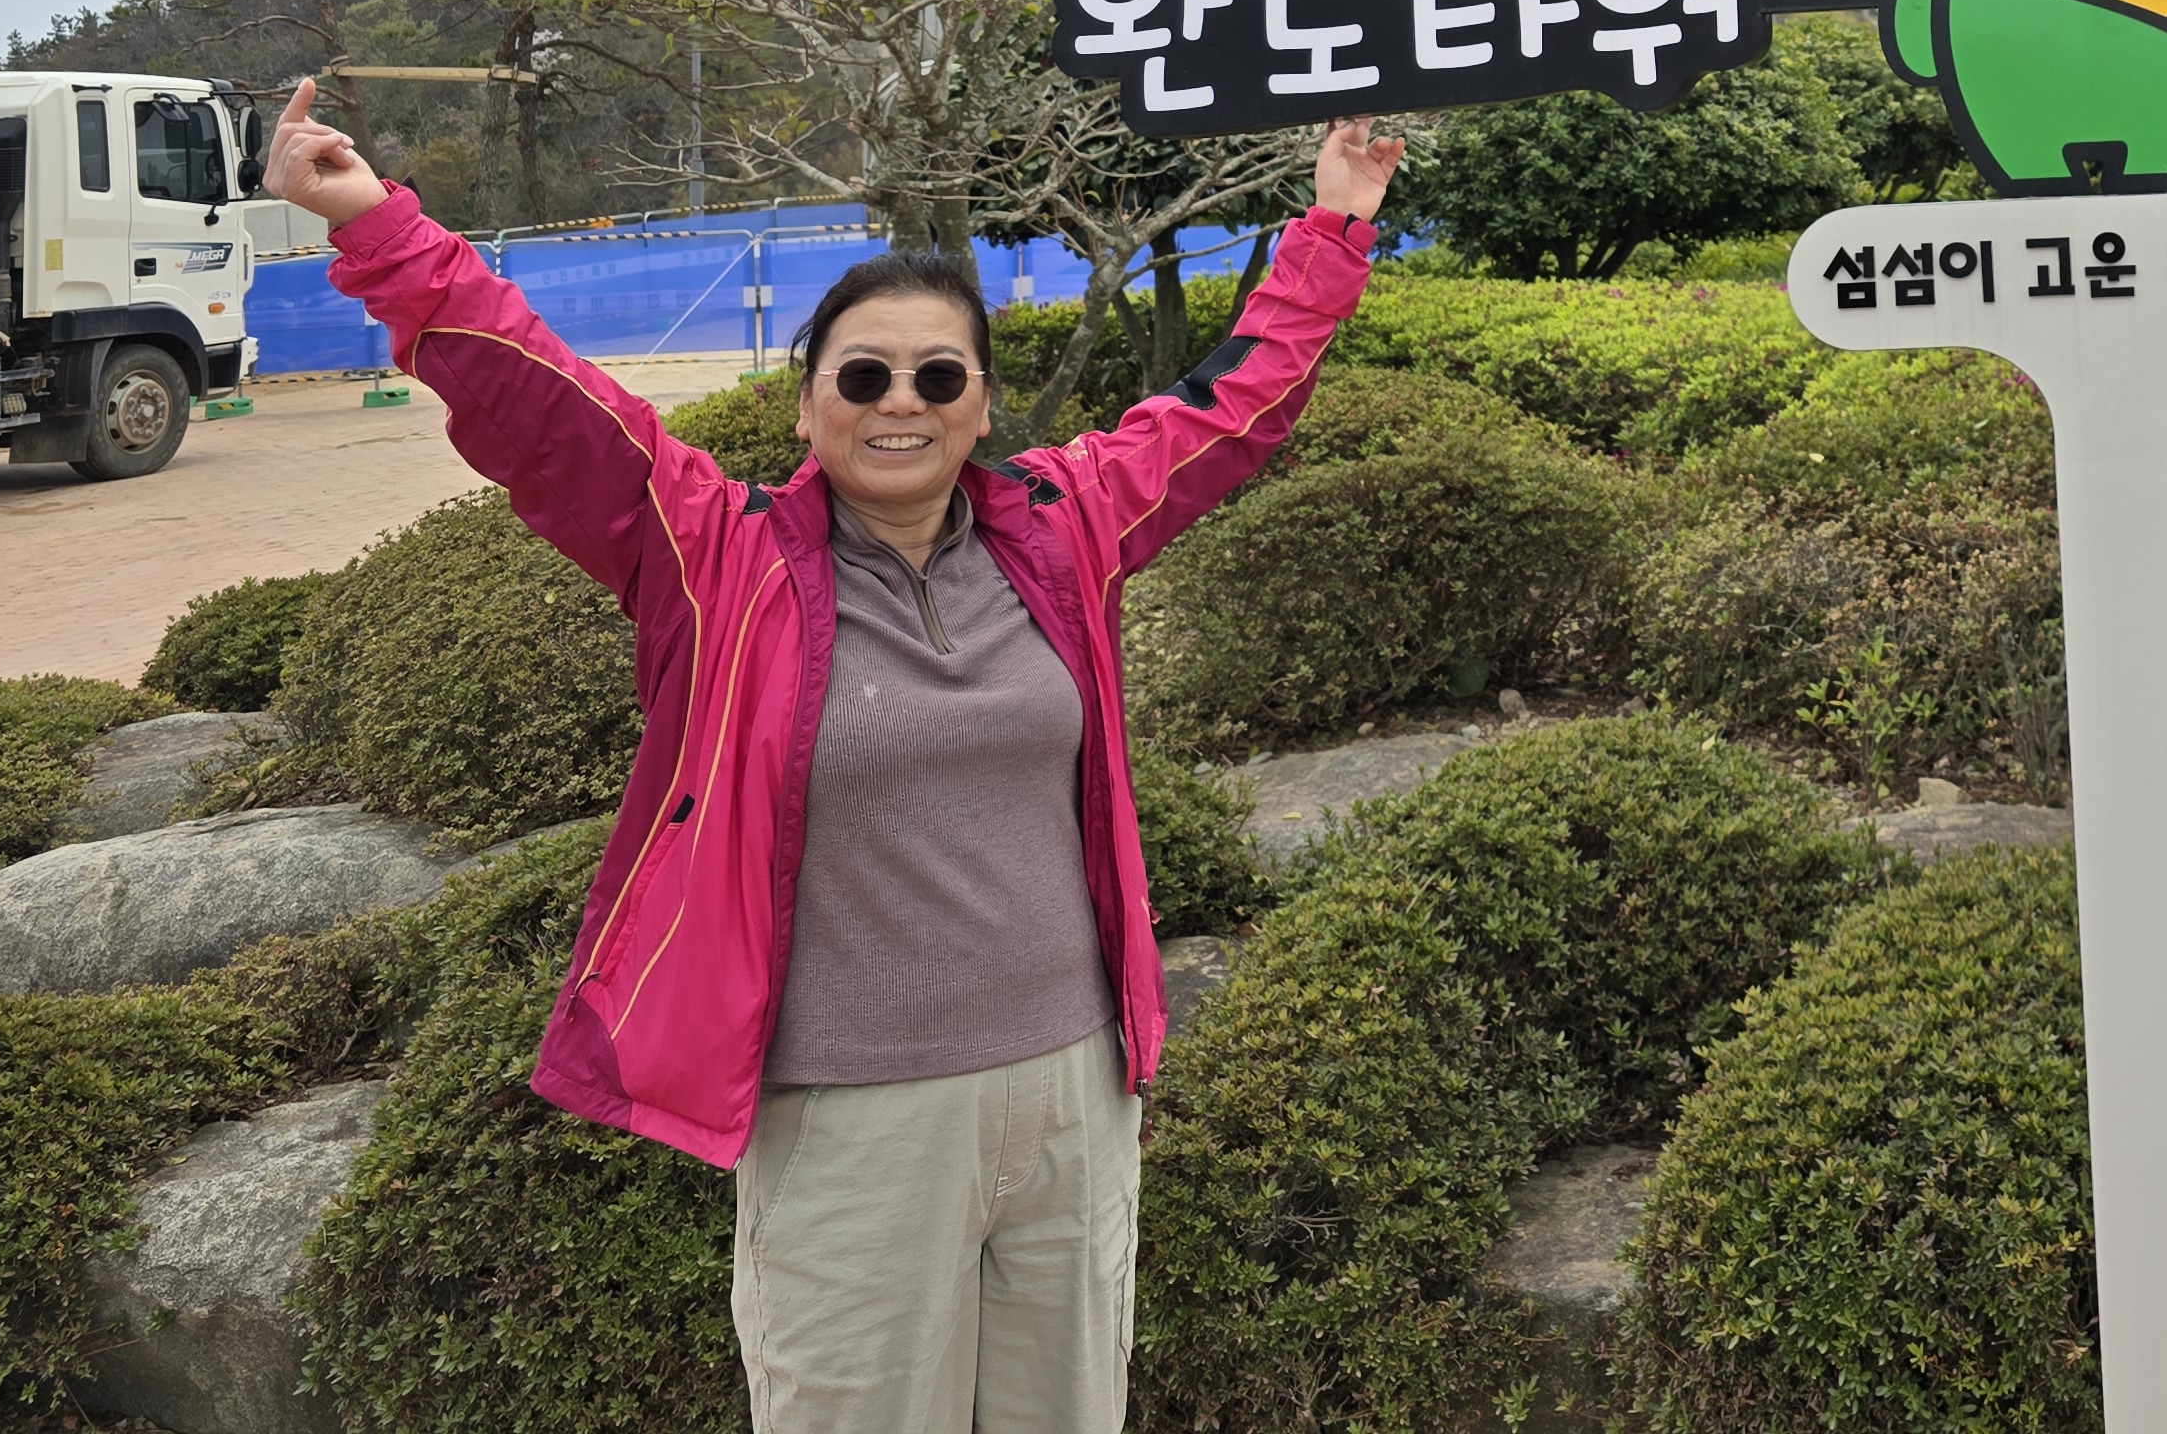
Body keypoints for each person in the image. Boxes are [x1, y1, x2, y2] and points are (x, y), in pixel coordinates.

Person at [260, 77, 1403, 1434]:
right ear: (807, 408)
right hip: (851, 1124)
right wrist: (375, 221)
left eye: (938, 377)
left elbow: (1236, 404)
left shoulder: (1066, 525)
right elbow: (539, 399)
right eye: (862, 376)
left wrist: (1334, 225)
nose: (899, 402)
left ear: (981, 406)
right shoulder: (715, 556)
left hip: (1073, 1097)